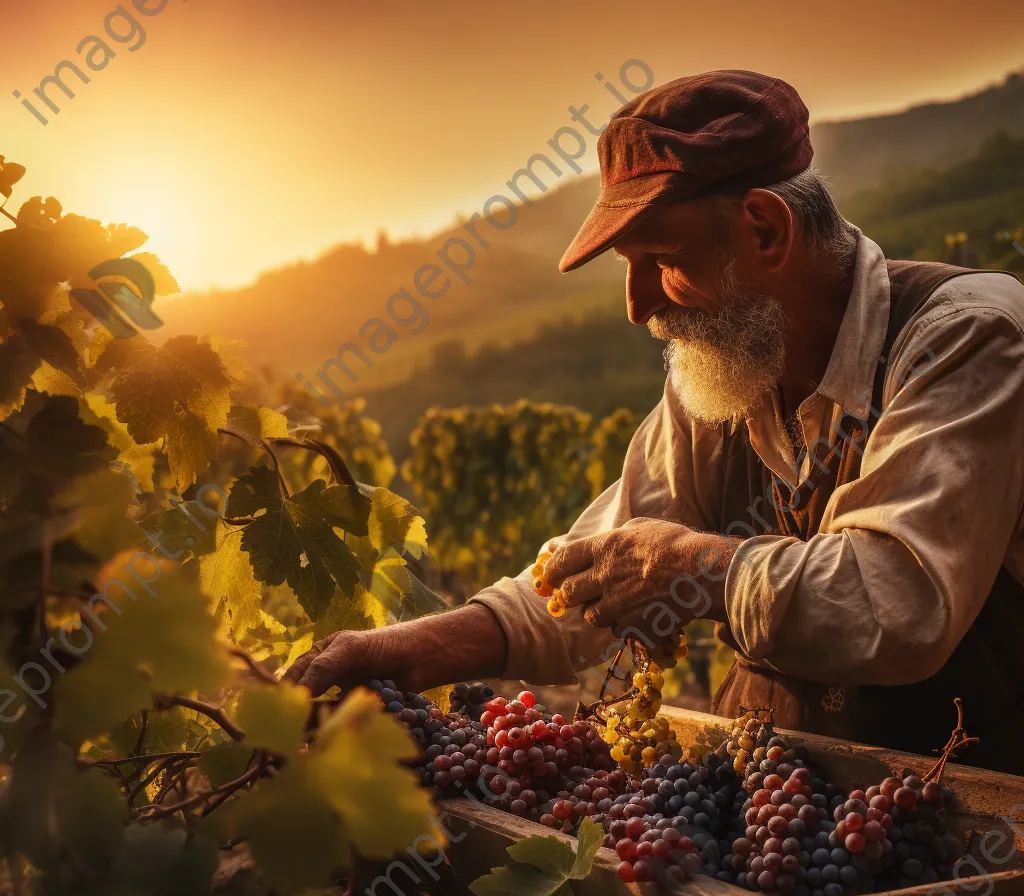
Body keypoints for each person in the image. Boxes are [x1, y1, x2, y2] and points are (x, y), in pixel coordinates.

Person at [288, 70, 1024, 771]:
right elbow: (597, 568)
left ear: (766, 229)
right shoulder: (726, 374)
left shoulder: (964, 337)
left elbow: (898, 602)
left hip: (971, 834)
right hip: (779, 807)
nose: (639, 305)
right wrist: (412, 650)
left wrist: (697, 569)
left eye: (661, 259)